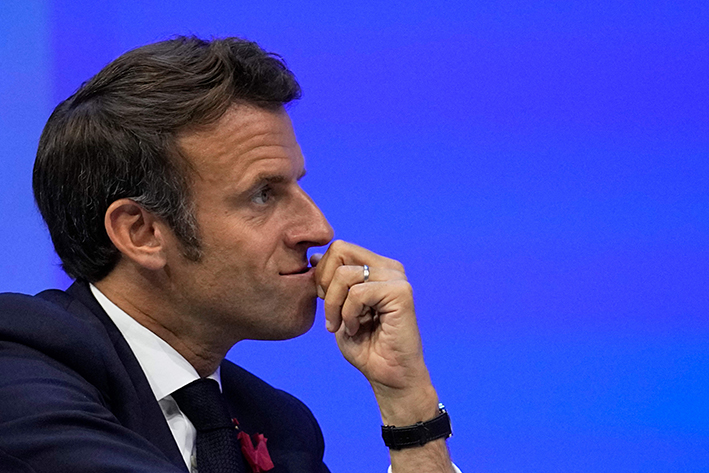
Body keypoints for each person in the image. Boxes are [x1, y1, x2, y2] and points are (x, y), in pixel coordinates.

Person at [0, 36, 456, 472]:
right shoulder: (17, 369)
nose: (318, 229)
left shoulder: (280, 425)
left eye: (296, 184)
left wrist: (407, 406)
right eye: (263, 194)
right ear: (141, 233)